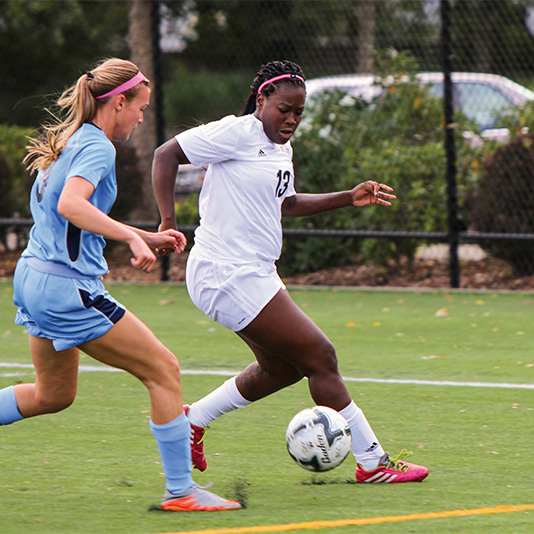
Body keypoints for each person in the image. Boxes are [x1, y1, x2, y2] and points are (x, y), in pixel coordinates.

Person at [152, 60, 429, 484]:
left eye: (299, 112)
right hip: (224, 271)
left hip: (253, 272)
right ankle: (372, 461)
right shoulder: (236, 131)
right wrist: (167, 222)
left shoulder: (281, 147)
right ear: (261, 99)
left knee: (283, 368)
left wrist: (347, 197)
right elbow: (165, 154)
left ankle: (194, 420)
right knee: (321, 356)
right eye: (285, 109)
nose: (292, 119)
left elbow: (287, 204)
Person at [0, 58, 241, 512]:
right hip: (66, 289)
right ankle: (181, 492)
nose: (142, 117)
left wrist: (145, 234)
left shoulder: (70, 139)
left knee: (52, 395)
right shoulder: (98, 147)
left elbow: (67, 213)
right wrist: (131, 236)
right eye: (141, 108)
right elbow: (72, 204)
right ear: (118, 101)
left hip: (33, 278)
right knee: (165, 370)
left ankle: (181, 491)